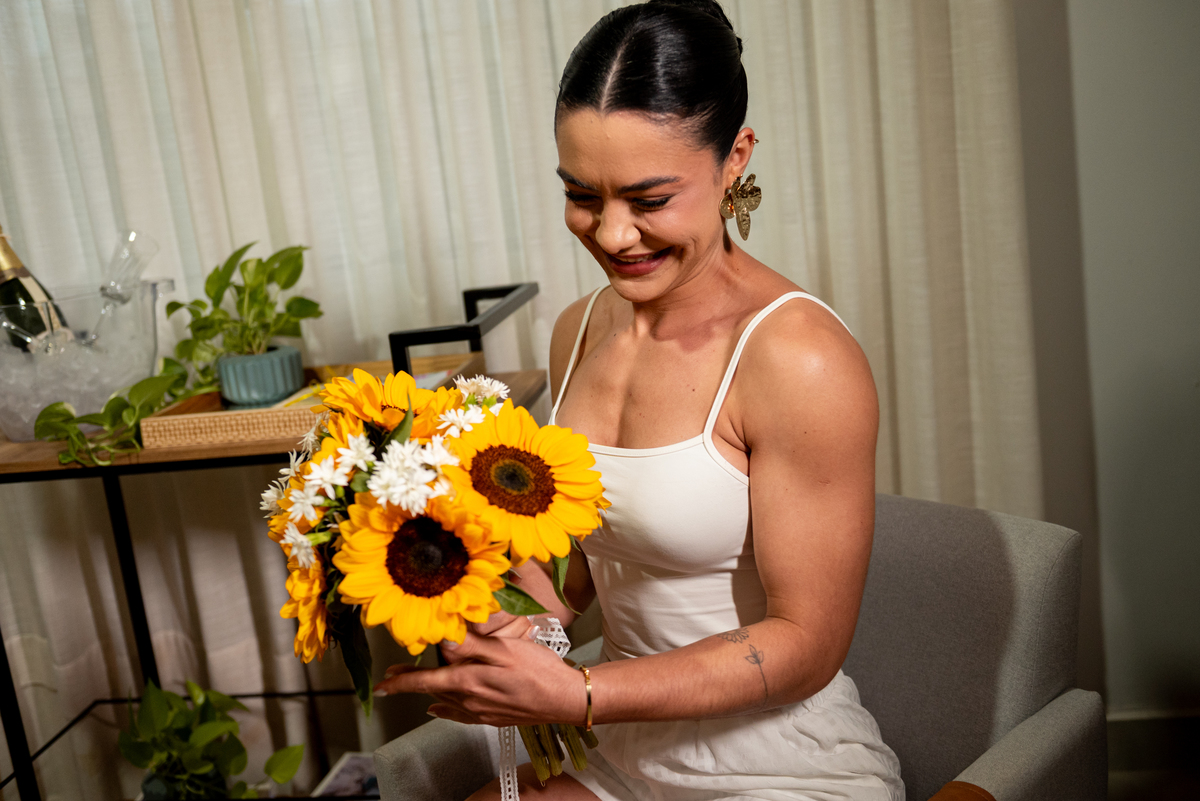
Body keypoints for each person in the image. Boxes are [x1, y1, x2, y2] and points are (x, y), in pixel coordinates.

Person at [374, 1, 904, 798]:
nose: (613, 234)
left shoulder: (800, 358)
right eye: (582, 194)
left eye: (650, 200)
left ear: (735, 158)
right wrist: (508, 620)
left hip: (779, 765)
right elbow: (581, 574)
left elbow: (806, 643)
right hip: (620, 754)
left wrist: (581, 694)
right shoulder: (577, 330)